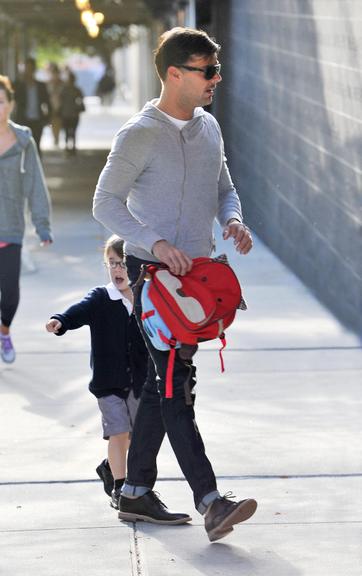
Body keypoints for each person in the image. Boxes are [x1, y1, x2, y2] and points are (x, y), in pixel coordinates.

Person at [93, 27, 257, 541]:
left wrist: (233, 219)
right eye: (206, 71)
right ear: (174, 74)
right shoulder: (139, 133)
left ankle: (136, 491)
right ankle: (210, 501)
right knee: (174, 389)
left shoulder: (208, 127)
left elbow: (225, 188)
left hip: (198, 286)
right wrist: (154, 242)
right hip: (154, 282)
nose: (216, 79)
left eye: (216, 70)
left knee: (162, 383)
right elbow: (106, 202)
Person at [45, 235, 148, 508]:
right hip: (109, 382)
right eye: (112, 263)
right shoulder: (101, 297)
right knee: (118, 432)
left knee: (136, 436)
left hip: (140, 381)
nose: (118, 270)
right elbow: (78, 311)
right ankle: (119, 487)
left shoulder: (146, 297)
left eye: (124, 264)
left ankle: (109, 468)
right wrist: (61, 320)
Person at [0, 75, 53, 364]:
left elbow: (35, 184)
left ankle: (4, 331)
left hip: (10, 228)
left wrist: (42, 225)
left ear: (10, 104)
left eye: (0, 101)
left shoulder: (23, 142)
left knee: (9, 295)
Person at [13, 57, 51, 155]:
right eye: (27, 68)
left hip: (37, 120)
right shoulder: (18, 85)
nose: (28, 71)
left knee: (36, 146)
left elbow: (47, 102)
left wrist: (47, 118)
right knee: (23, 146)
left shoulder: (41, 86)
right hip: (22, 120)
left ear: (34, 69)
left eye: (30, 68)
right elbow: (12, 100)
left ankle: (36, 168)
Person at [59, 70, 85, 155]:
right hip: (69, 113)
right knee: (69, 131)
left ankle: (71, 147)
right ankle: (69, 147)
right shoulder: (69, 89)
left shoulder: (73, 90)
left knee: (71, 131)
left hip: (70, 113)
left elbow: (80, 100)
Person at [47, 63, 64, 148]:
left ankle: (57, 137)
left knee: (59, 122)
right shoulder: (48, 83)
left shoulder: (62, 83)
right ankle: (55, 137)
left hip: (60, 105)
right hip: (51, 105)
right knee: (53, 122)